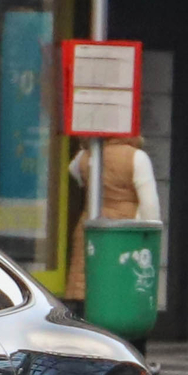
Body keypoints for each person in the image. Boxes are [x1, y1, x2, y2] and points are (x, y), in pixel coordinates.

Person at [65, 135, 161, 316]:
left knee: (86, 285)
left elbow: (73, 169)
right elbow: (150, 204)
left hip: (90, 227)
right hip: (125, 231)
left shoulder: (86, 155)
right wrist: (148, 238)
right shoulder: (136, 157)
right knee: (120, 289)